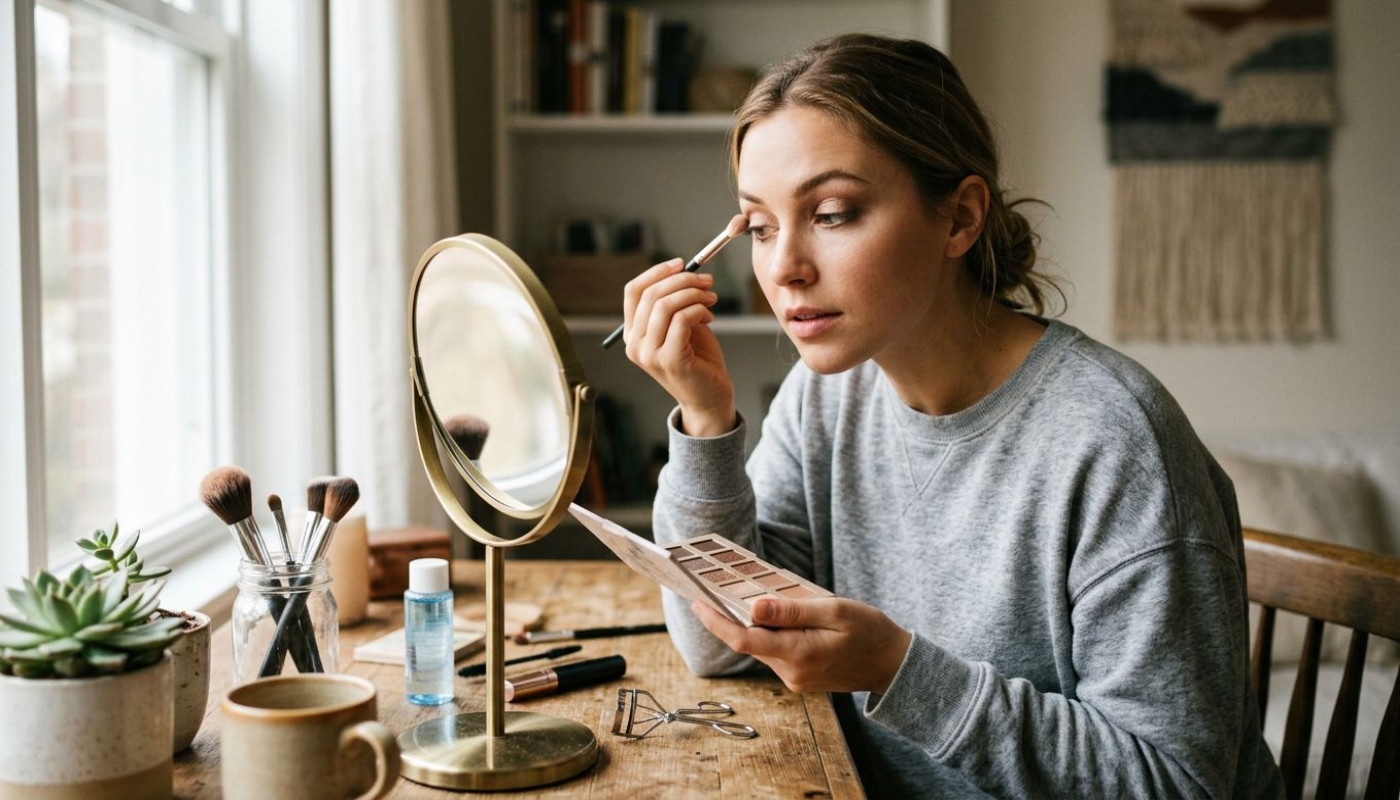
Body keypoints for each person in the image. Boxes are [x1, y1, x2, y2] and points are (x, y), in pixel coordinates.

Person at [618, 33, 1284, 799]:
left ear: (960, 218)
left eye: (832, 214)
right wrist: (705, 421)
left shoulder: (1116, 442)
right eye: (761, 227)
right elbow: (723, 647)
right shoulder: (825, 396)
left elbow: (1177, 784)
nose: (783, 268)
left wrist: (897, 671)